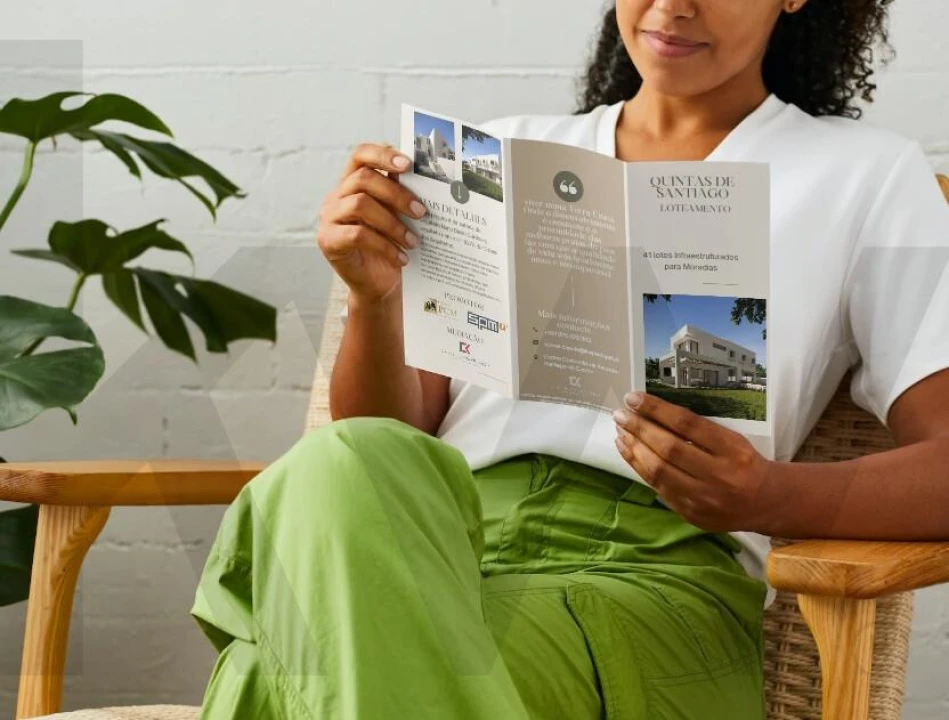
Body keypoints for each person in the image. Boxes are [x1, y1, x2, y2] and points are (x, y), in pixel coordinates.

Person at [190, 1, 949, 718]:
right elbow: (394, 437)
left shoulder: (865, 175)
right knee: (342, 458)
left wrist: (765, 495)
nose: (670, 5)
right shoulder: (500, 153)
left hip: (653, 580)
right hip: (441, 544)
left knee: (276, 674)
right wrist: (375, 297)